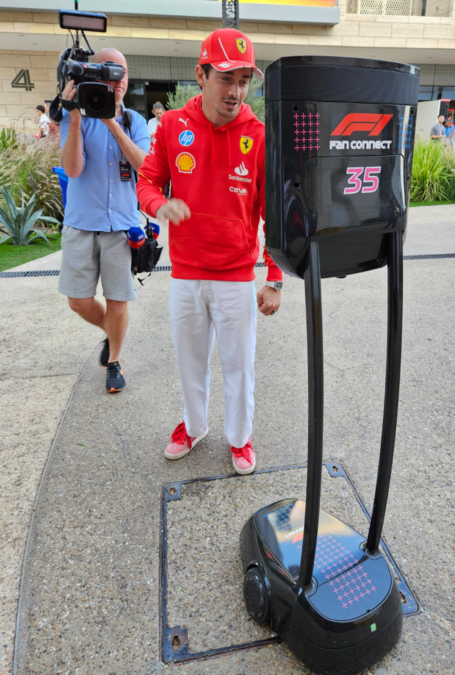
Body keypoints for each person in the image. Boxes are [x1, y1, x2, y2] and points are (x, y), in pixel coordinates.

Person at [136, 28, 283, 476]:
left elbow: (271, 211)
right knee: (190, 363)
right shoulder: (173, 127)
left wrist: (274, 276)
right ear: (200, 75)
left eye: (243, 80)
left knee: (240, 367)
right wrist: (160, 205)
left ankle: (240, 439)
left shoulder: (258, 135)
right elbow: (146, 182)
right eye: (226, 78)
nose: (236, 91)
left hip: (236, 276)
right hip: (185, 274)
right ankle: (194, 427)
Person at [59, 48, 150, 393]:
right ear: (96, 76)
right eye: (112, 72)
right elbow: (72, 169)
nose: (120, 79)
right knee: (78, 301)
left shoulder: (135, 121)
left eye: (123, 72)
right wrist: (78, 117)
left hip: (121, 227)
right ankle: (111, 333)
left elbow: (144, 165)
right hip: (82, 223)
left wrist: (111, 120)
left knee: (117, 300)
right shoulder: (74, 117)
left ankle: (113, 360)